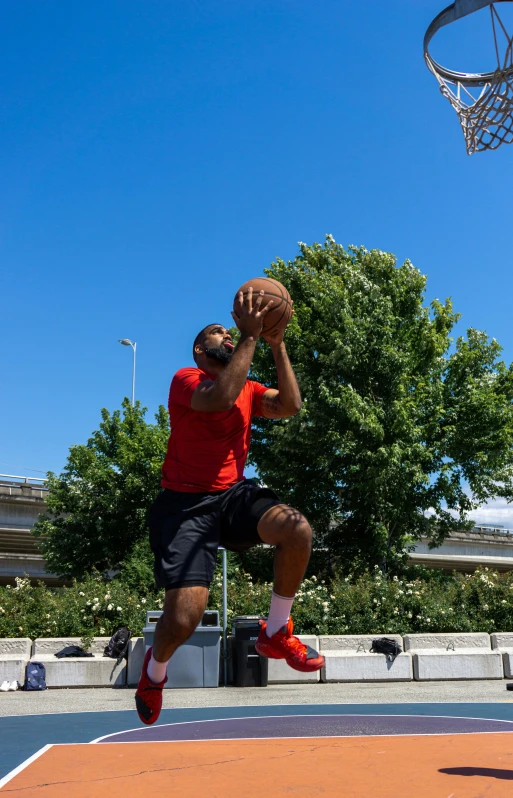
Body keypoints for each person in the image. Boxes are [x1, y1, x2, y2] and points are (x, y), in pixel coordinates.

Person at [135, 287, 324, 725]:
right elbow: (219, 399)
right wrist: (251, 336)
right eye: (219, 333)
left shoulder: (250, 388)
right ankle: (155, 670)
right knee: (184, 618)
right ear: (201, 349)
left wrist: (277, 344)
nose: (226, 335)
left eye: (229, 331)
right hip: (184, 506)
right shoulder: (186, 380)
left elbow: (292, 405)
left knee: (296, 528)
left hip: (231, 495)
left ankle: (276, 631)